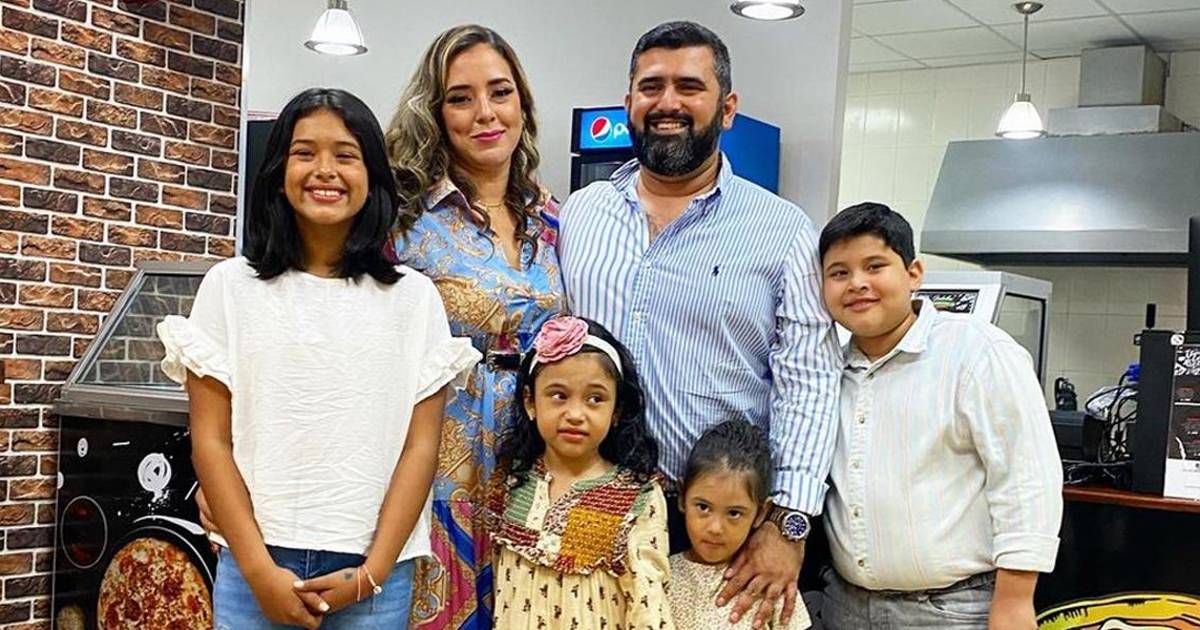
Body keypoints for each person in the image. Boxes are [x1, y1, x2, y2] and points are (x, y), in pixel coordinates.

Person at [158, 87, 479, 629]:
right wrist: (258, 571)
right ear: (278, 171)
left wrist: (372, 573)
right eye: (304, 152)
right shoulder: (229, 287)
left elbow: (420, 448)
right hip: (255, 561)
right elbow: (211, 440)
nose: (324, 170)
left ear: (372, 175)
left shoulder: (413, 298)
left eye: (346, 155)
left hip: (374, 573)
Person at [557, 21, 841, 628]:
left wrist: (789, 524)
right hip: (595, 507)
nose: (668, 103)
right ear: (629, 101)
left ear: (728, 108)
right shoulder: (580, 215)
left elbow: (810, 381)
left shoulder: (782, 229)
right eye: (651, 86)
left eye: (689, 87)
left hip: (720, 530)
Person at [387, 24, 567, 629]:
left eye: (500, 92)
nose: (485, 113)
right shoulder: (402, 219)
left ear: (523, 103)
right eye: (461, 98)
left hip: (536, 468)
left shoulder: (555, 218)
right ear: (435, 113)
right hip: (435, 469)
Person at [817, 202, 1063, 630]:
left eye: (875, 266)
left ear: (914, 273)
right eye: (839, 273)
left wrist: (1014, 601)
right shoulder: (825, 369)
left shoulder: (977, 351)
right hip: (845, 606)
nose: (857, 284)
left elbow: (1025, 480)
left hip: (952, 611)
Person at [484, 316, 672, 629]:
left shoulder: (636, 496)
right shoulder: (513, 482)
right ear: (530, 402)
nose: (575, 414)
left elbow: (649, 601)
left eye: (595, 399)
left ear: (617, 411)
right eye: (559, 395)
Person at [669, 420, 812, 629]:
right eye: (703, 507)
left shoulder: (770, 577)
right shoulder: (660, 576)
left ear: (760, 513)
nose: (715, 528)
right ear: (682, 497)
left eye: (734, 513)